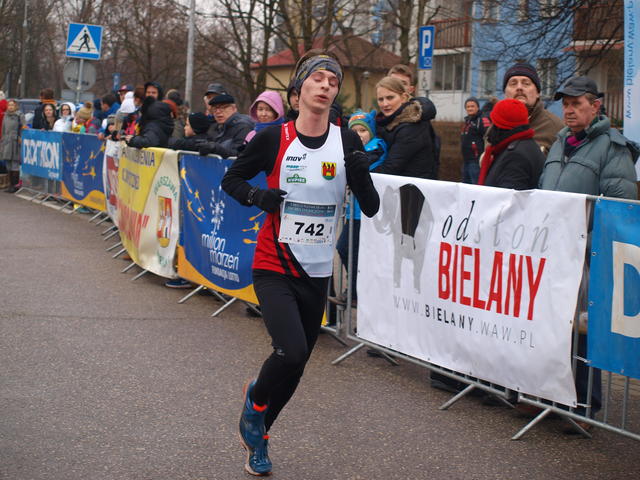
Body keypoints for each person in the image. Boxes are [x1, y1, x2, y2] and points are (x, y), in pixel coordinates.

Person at [221, 50, 379, 476]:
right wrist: (258, 196)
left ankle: (260, 435)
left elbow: (370, 207)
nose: (326, 85)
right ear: (298, 89)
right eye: (318, 78)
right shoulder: (274, 137)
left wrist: (360, 171)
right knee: (289, 352)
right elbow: (231, 179)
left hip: (317, 270)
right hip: (274, 263)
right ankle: (255, 400)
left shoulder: (347, 141)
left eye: (333, 81)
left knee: (298, 364)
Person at [540, 76, 638, 431]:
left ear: (595, 106)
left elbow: (620, 205)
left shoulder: (613, 147)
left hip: (585, 253)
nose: (569, 110)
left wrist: (585, 239)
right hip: (552, 250)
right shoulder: (559, 142)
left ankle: (584, 405)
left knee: (582, 327)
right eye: (565, 104)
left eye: (576, 103)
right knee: (553, 324)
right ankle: (551, 396)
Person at [331, 109, 387, 306]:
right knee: (348, 250)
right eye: (354, 131)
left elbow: (363, 165)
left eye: (362, 131)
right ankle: (355, 289)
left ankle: (355, 291)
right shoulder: (350, 148)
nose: (358, 135)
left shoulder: (377, 146)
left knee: (346, 248)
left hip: (365, 213)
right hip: (352, 211)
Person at [373, 76, 437, 178]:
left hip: (413, 186)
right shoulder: (385, 122)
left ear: (403, 98)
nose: (385, 104)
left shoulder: (411, 127)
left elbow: (390, 169)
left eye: (390, 98)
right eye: (380, 99)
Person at [477, 98, 545, 189]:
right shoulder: (524, 145)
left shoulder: (515, 156)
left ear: (500, 126)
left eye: (494, 123)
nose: (490, 128)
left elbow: (507, 196)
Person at [503, 63, 564, 155]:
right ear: (505, 94)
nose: (519, 87)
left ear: (537, 93)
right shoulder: (496, 127)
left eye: (526, 83)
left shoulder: (556, 128)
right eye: (513, 83)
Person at [198, 94, 254, 158]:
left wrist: (216, 149)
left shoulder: (243, 127)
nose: (218, 112)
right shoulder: (217, 127)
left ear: (234, 108)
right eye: (215, 108)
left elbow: (239, 154)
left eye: (223, 107)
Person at [461, 97, 489, 184]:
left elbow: (488, 137)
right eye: (468, 107)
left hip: (476, 161)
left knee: (476, 186)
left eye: (472, 106)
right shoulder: (467, 121)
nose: (470, 108)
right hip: (466, 160)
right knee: (465, 185)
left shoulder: (482, 120)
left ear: (478, 107)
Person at [1, 99, 25, 192]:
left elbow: (24, 127)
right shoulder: (5, 115)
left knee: (15, 164)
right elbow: (3, 130)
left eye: (12, 105)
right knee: (8, 164)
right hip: (6, 142)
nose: (10, 107)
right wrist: (2, 141)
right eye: (9, 105)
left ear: (16, 106)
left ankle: (15, 185)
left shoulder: (19, 115)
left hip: (15, 142)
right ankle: (10, 185)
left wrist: (21, 137)